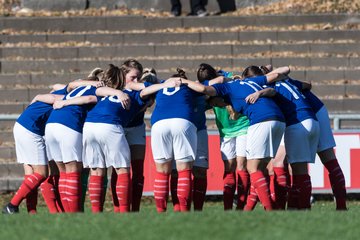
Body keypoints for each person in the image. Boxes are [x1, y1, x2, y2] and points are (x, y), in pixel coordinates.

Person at [179, 68, 288, 211]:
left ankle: (245, 208)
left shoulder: (225, 83)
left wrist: (181, 80)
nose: (216, 107)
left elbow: (213, 84)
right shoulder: (226, 86)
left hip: (246, 128)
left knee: (245, 167)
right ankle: (229, 209)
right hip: (226, 132)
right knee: (232, 169)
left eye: (215, 104)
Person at [244, 66, 320, 210]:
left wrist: (260, 91)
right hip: (312, 120)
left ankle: (296, 207)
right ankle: (293, 206)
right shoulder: (287, 81)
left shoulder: (268, 85)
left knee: (291, 168)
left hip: (297, 123)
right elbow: (305, 83)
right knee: (297, 168)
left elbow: (272, 88)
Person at [81, 68, 149, 213]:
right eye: (133, 78)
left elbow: (96, 92)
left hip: (89, 126)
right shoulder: (136, 93)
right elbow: (147, 89)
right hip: (110, 125)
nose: (136, 81)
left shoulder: (106, 93)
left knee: (97, 171)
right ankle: (124, 213)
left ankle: (96, 213)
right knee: (122, 169)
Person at [140, 69, 201, 212]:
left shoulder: (161, 85)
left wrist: (162, 84)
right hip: (182, 121)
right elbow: (207, 87)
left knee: (162, 172)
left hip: (159, 124)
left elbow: (138, 89)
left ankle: (161, 212)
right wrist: (186, 82)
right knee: (184, 170)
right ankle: (184, 212)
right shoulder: (188, 86)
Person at [2, 89, 67, 214]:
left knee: (31, 174)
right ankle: (12, 205)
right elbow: (63, 89)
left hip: (23, 126)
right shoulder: (67, 96)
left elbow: (48, 91)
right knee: (42, 173)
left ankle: (32, 212)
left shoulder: (61, 92)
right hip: (31, 130)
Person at [196, 63, 251, 211]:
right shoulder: (206, 87)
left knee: (241, 166)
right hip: (226, 131)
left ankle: (240, 208)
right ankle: (227, 209)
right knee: (229, 168)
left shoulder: (229, 79)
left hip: (243, 126)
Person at [291, 79, 347, 210]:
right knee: (330, 160)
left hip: (302, 115)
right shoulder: (282, 78)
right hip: (317, 109)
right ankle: (341, 207)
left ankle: (296, 205)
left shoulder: (267, 85)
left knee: (292, 162)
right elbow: (308, 84)